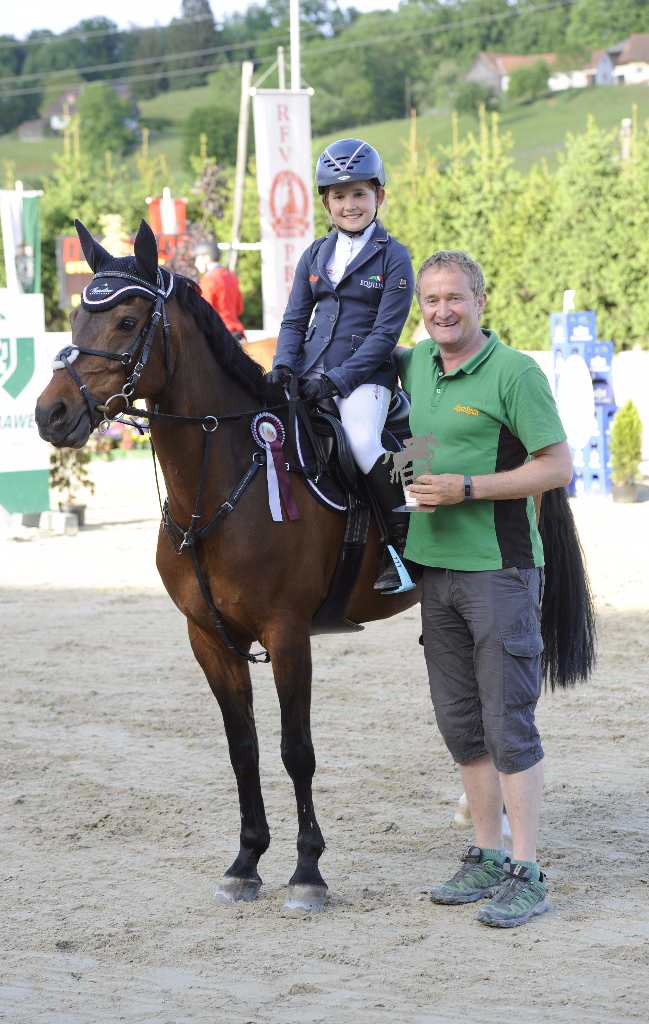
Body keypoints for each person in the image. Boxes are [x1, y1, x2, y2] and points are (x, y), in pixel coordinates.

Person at [396, 250, 573, 928]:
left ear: (479, 301)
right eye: (430, 299)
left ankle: (527, 870)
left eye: (454, 298)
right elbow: (415, 438)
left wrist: (467, 488)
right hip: (433, 572)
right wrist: (413, 478)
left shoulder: (514, 372)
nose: (441, 310)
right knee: (460, 724)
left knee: (507, 724)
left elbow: (555, 467)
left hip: (498, 570)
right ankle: (486, 852)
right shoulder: (416, 362)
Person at [268, 139, 415, 591]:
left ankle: (401, 548)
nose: (349, 204)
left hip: (366, 377)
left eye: (359, 194)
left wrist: (336, 381)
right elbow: (294, 320)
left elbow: (384, 336)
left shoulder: (395, 256)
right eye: (339, 195)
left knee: (362, 438)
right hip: (311, 372)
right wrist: (283, 367)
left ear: (379, 197)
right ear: (326, 202)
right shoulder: (315, 254)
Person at [193, 240, 246, 341]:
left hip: (218, 333)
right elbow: (239, 309)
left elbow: (203, 311)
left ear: (207, 258)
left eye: (197, 259)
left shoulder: (208, 280)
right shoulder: (232, 277)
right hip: (237, 332)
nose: (195, 264)